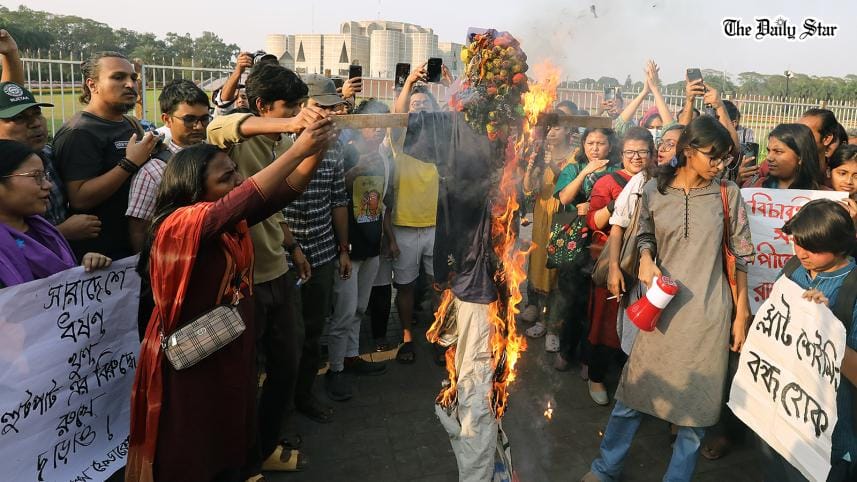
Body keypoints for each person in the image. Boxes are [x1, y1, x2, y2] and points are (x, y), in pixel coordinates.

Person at [126, 115, 335, 482]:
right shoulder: (179, 224)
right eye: (226, 178)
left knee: (228, 431)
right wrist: (297, 148)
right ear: (192, 186)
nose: (236, 182)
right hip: (191, 358)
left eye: (236, 173)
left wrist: (315, 152)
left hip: (226, 346)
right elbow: (245, 198)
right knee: (192, 444)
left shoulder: (225, 222)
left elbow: (283, 193)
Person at [582, 115, 755, 482]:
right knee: (632, 396)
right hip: (660, 314)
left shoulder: (728, 193)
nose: (720, 164)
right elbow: (644, 234)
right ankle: (605, 469)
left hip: (709, 316)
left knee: (694, 415)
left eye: (725, 158)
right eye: (713, 156)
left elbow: (741, 257)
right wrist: (645, 258)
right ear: (688, 151)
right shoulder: (654, 190)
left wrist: (741, 315)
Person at [207, 63, 324, 473]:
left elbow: (275, 204)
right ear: (261, 106)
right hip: (243, 283)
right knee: (241, 376)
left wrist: (293, 247)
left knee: (287, 364)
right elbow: (220, 126)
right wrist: (296, 128)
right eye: (289, 107)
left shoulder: (277, 144)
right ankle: (239, 458)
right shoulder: (234, 142)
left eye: (300, 106)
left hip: (277, 273)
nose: (297, 114)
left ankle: (264, 445)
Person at [761, 199, 857, 481]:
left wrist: (824, 327)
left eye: (813, 248)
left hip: (832, 439)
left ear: (841, 245)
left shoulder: (852, 289)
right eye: (797, 242)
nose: (801, 253)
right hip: (783, 423)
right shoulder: (793, 269)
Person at [280, 74, 353, 424]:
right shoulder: (277, 141)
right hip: (281, 257)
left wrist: (342, 248)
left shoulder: (334, 146)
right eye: (318, 107)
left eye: (330, 107)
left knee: (312, 333)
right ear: (300, 107)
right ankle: (277, 407)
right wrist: (291, 246)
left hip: (322, 252)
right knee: (282, 339)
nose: (326, 114)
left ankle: (304, 396)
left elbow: (338, 199)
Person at [53, 51, 158, 260]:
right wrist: (129, 163)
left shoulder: (129, 123)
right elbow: (80, 198)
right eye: (118, 77)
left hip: (134, 244)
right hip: (102, 256)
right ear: (92, 85)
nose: (130, 84)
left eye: (133, 78)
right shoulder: (80, 132)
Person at [325, 99, 394, 401]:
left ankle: (351, 357)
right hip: (347, 249)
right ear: (360, 123)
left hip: (371, 247)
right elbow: (330, 195)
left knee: (360, 308)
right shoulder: (343, 151)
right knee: (343, 311)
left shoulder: (384, 155)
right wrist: (352, 173)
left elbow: (382, 203)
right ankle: (335, 369)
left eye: (384, 123)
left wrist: (386, 238)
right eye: (373, 122)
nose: (379, 129)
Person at [584, 127, 654, 406]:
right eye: (629, 152)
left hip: (647, 262)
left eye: (642, 151)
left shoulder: (657, 181)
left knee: (639, 322)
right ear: (621, 153)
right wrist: (620, 202)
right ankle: (596, 376)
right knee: (605, 320)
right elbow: (594, 222)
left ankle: (631, 378)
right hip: (616, 258)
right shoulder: (609, 182)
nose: (636, 157)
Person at [0, 140, 111, 289]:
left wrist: (85, 268)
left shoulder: (43, 229)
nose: (48, 185)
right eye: (36, 176)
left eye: (45, 176)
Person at [390, 66, 441, 364]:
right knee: (406, 286)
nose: (420, 109)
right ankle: (407, 336)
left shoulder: (442, 141)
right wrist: (410, 82)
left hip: (435, 225)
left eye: (425, 104)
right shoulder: (400, 139)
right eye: (414, 105)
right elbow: (398, 114)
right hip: (405, 227)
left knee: (438, 286)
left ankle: (437, 335)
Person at [127, 79, 211, 252]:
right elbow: (138, 229)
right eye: (189, 119)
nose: (199, 126)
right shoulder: (153, 171)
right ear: (167, 119)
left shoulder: (214, 157)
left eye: (204, 119)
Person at [520, 115, 577, 353]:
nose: (552, 133)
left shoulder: (576, 155)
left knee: (558, 275)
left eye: (557, 128)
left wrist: (552, 163)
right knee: (541, 269)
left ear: (567, 130)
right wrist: (532, 167)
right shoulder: (541, 152)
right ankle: (542, 320)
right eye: (549, 128)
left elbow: (566, 183)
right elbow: (528, 189)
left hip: (563, 217)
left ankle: (554, 328)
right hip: (542, 218)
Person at [743, 123, 823, 190]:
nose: (769, 158)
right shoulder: (755, 187)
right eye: (769, 151)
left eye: (778, 151)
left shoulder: (823, 196)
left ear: (801, 156)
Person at [798, 108, 840, 175]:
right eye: (797, 131)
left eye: (805, 132)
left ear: (826, 139)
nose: (798, 136)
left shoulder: (837, 179)